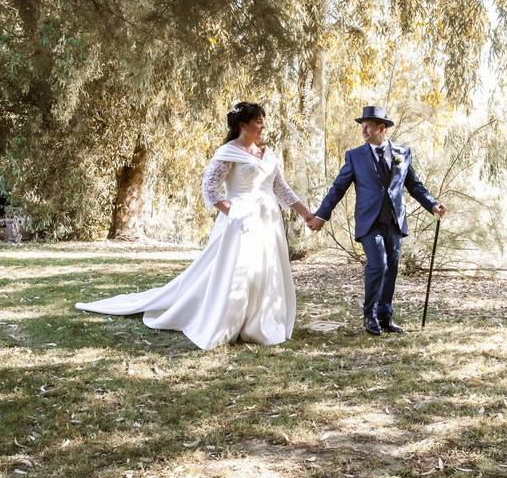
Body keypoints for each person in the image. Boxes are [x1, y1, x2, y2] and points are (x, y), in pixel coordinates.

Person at [76, 102, 315, 350]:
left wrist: (307, 215)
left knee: (265, 271)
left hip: (268, 222)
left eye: (263, 119)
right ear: (242, 125)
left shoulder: (268, 154)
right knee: (238, 273)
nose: (262, 124)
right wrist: (233, 212)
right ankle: (231, 320)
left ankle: (261, 321)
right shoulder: (228, 153)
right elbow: (209, 188)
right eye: (257, 120)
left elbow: (280, 188)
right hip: (241, 221)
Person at [309, 106, 446, 335]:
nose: (363, 129)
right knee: (378, 265)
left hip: (394, 220)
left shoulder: (403, 152)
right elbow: (338, 188)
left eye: (368, 125)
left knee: (391, 269)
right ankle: (369, 315)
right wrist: (321, 215)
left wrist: (432, 203)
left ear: (381, 128)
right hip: (369, 222)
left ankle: (385, 317)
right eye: (362, 125)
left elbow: (414, 185)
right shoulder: (355, 156)